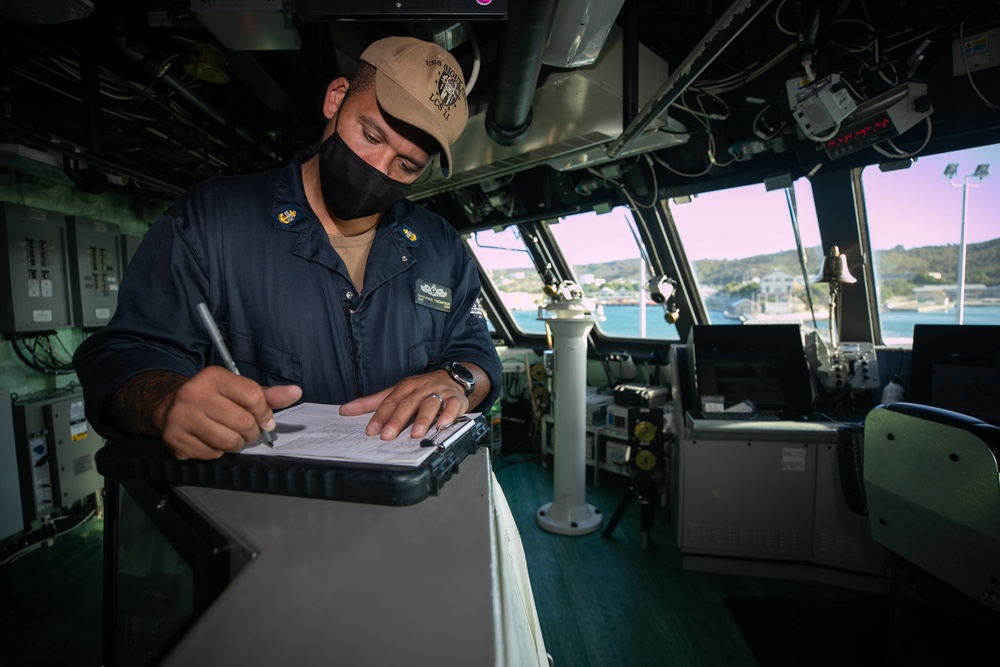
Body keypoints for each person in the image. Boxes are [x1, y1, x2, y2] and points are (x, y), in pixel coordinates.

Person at [73, 36, 502, 461]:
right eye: (371, 135)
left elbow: (478, 356)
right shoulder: (214, 219)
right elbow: (124, 356)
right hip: (268, 509)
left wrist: (459, 379)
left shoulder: (440, 245)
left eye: (406, 165)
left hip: (404, 506)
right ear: (336, 99)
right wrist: (165, 403)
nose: (378, 168)